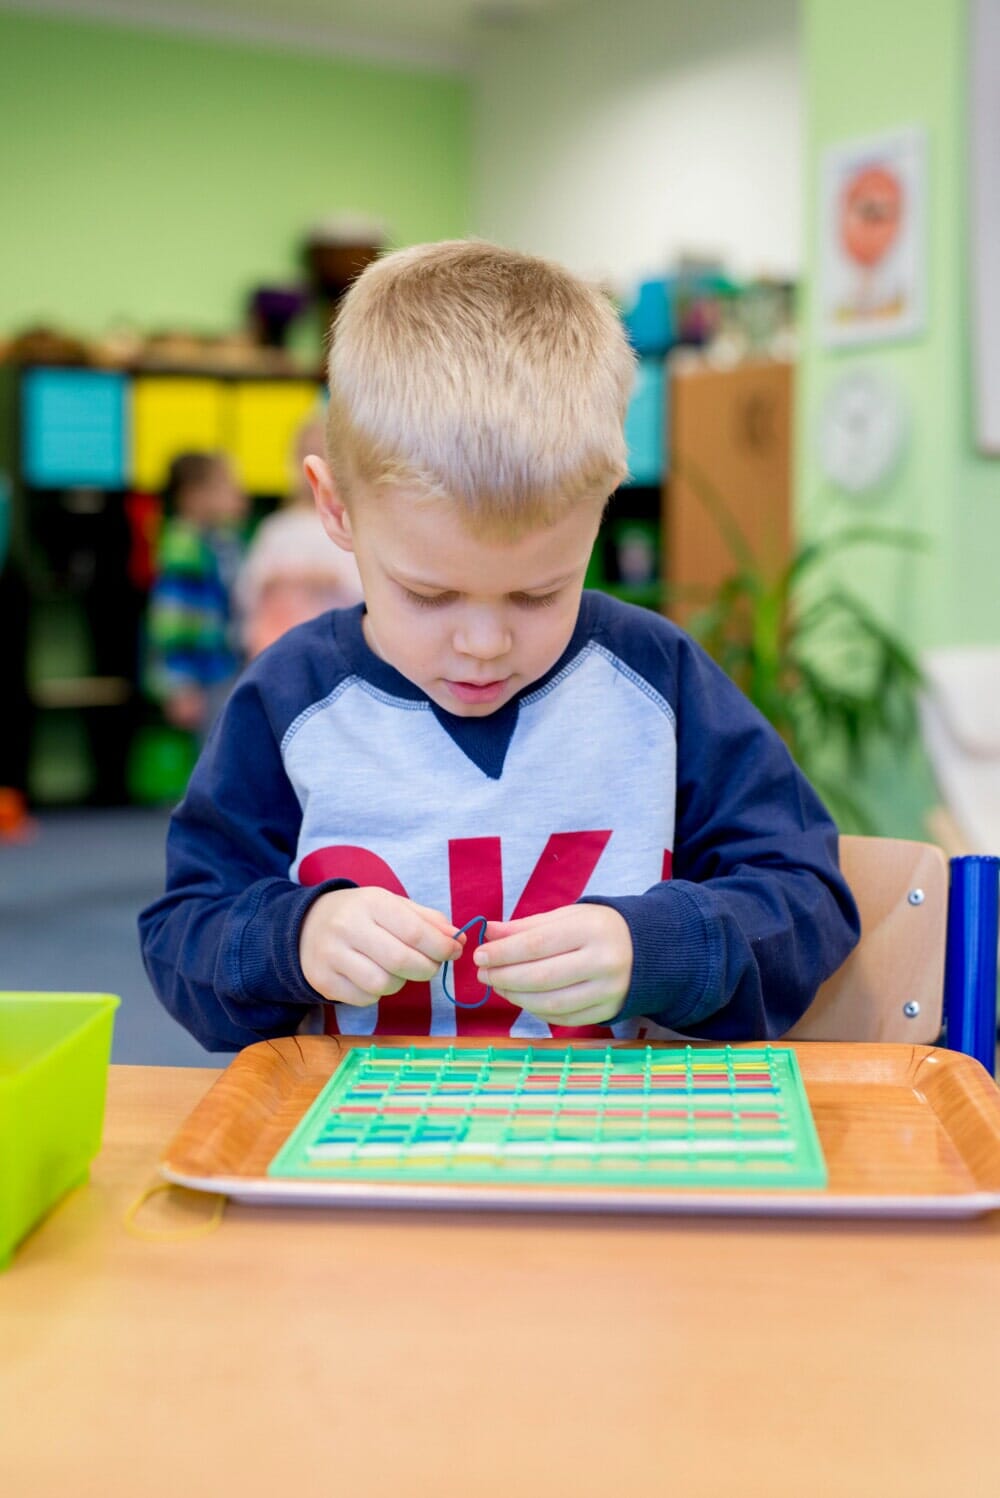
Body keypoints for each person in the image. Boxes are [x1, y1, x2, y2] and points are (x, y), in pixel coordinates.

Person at [139, 240, 859, 1053]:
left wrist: (655, 948)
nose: (483, 645)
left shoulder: (659, 683)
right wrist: (295, 940)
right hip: (361, 1127)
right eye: (429, 595)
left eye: (537, 593)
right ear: (335, 509)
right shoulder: (289, 700)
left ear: (601, 508)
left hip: (611, 1121)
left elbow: (808, 898)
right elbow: (183, 934)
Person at [237, 408, 363, 658]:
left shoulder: (353, 526)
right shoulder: (276, 529)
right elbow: (247, 592)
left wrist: (326, 579)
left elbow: (365, 592)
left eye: (323, 453)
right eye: (306, 452)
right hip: (281, 651)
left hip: (339, 652)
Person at [145, 452, 248, 738]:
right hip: (202, 678)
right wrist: (180, 684)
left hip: (222, 668)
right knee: (212, 750)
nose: (237, 493)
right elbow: (172, 621)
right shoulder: (184, 546)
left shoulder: (220, 540)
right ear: (192, 496)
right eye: (224, 485)